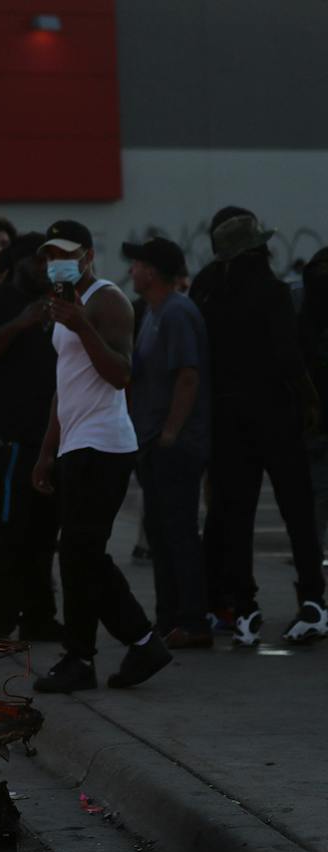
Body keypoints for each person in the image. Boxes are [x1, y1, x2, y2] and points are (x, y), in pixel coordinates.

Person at [31, 220, 170, 692]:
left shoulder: (106, 300)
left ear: (88, 256)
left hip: (105, 444)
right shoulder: (62, 306)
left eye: (64, 254)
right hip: (76, 444)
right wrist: (46, 452)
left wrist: (80, 323)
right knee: (79, 554)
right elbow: (63, 387)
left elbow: (121, 374)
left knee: (79, 550)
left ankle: (107, 648)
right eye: (48, 255)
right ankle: (105, 651)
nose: (55, 263)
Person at [191, 208, 327, 645]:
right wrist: (310, 400)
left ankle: (244, 609)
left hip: (226, 416)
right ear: (257, 249)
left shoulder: (206, 289)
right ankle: (313, 601)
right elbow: (289, 356)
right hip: (274, 412)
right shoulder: (270, 290)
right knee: (297, 510)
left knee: (236, 514)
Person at [0, 231, 62, 640]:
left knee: (43, 536)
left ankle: (40, 618)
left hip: (48, 440)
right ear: (18, 263)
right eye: (38, 262)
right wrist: (21, 324)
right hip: (7, 442)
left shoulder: (60, 306)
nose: (46, 270)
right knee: (8, 533)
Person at [122, 237, 212, 648]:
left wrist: (172, 434)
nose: (132, 271)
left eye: (138, 264)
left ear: (153, 271)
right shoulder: (154, 312)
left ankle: (192, 621)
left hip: (171, 443)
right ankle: (169, 618)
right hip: (153, 442)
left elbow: (188, 375)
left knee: (178, 532)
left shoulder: (176, 311)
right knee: (160, 533)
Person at [298, 247, 328, 551]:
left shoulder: (304, 310)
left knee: (315, 490)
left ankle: (311, 549)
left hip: (311, 414)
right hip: (315, 416)